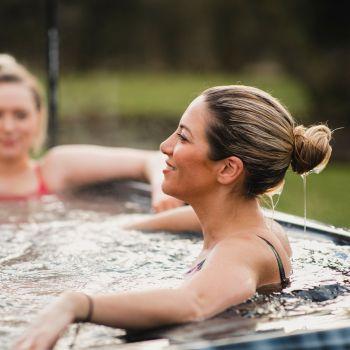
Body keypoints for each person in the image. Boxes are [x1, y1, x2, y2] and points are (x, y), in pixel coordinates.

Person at [14, 85, 332, 349]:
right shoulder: (256, 228)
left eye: (183, 137)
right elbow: (193, 221)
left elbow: (192, 303)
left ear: (228, 169)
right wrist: (122, 228)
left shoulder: (242, 251)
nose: (165, 146)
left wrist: (76, 305)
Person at [0, 54, 182, 212]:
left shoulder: (55, 168)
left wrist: (161, 190)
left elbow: (152, 159)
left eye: (20, 115)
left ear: (38, 119)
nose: (8, 127)